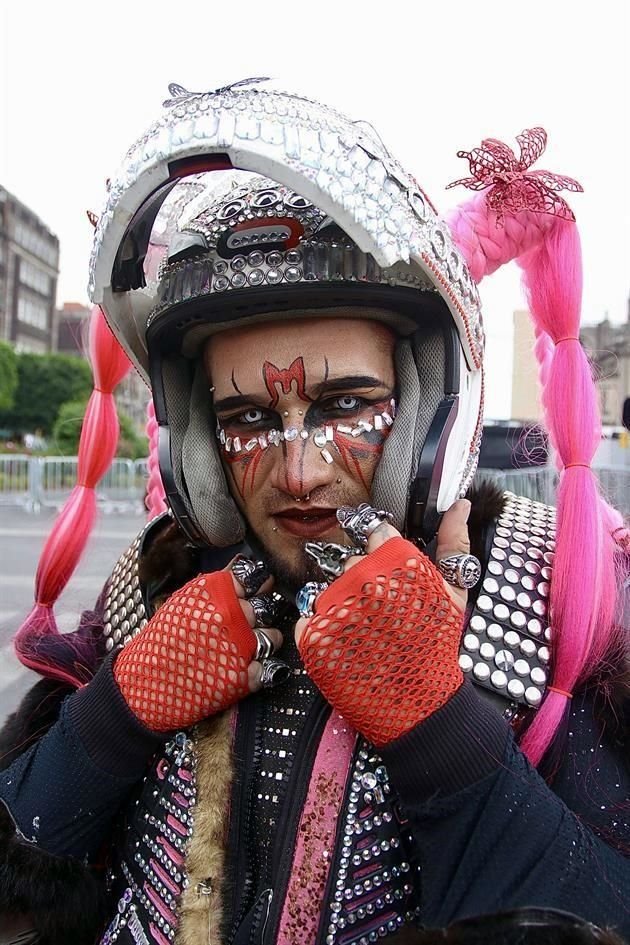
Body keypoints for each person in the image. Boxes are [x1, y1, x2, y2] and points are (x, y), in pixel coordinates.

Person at [0, 80, 628, 945]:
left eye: (344, 404)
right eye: (248, 417)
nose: (298, 472)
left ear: (425, 408)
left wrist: (440, 729)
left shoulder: (548, 601)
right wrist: (114, 714)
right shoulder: (150, 591)